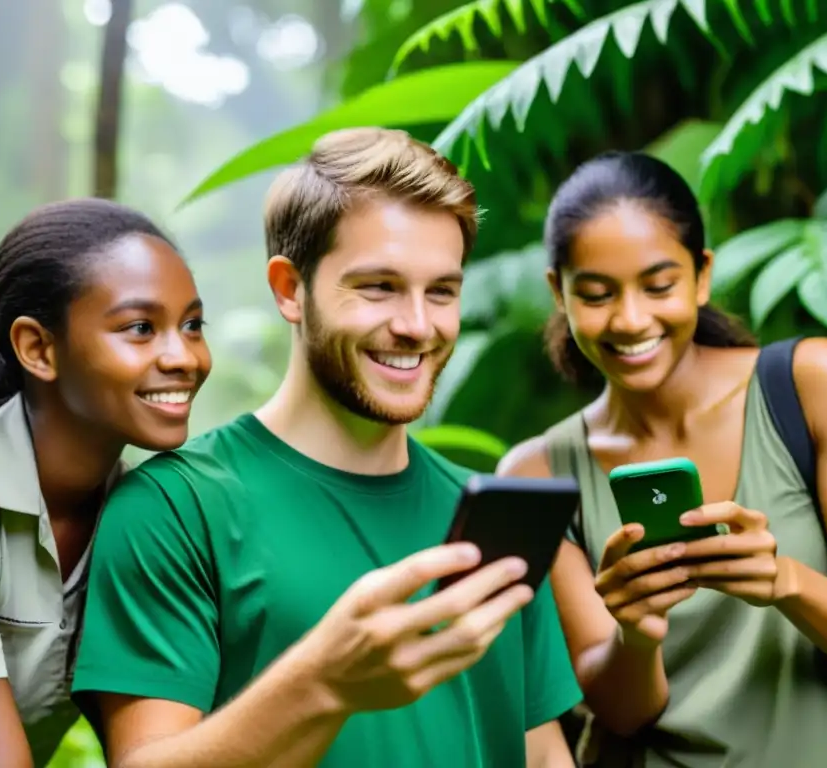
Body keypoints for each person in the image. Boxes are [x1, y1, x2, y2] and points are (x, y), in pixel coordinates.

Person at [69, 127, 582, 768]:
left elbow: (543, 755)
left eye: (442, 291)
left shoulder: (490, 518)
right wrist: (324, 681)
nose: (418, 326)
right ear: (290, 289)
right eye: (378, 287)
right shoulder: (176, 508)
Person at [499, 151, 827, 766]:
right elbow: (621, 712)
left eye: (659, 285)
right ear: (557, 293)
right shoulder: (536, 474)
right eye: (595, 294)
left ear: (701, 276)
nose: (631, 318)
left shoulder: (815, 385)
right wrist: (637, 633)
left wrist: (787, 582)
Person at [0, 198, 212, 767]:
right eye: (141, 328)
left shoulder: (144, 516)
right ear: (38, 348)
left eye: (192, 325)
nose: (184, 356)